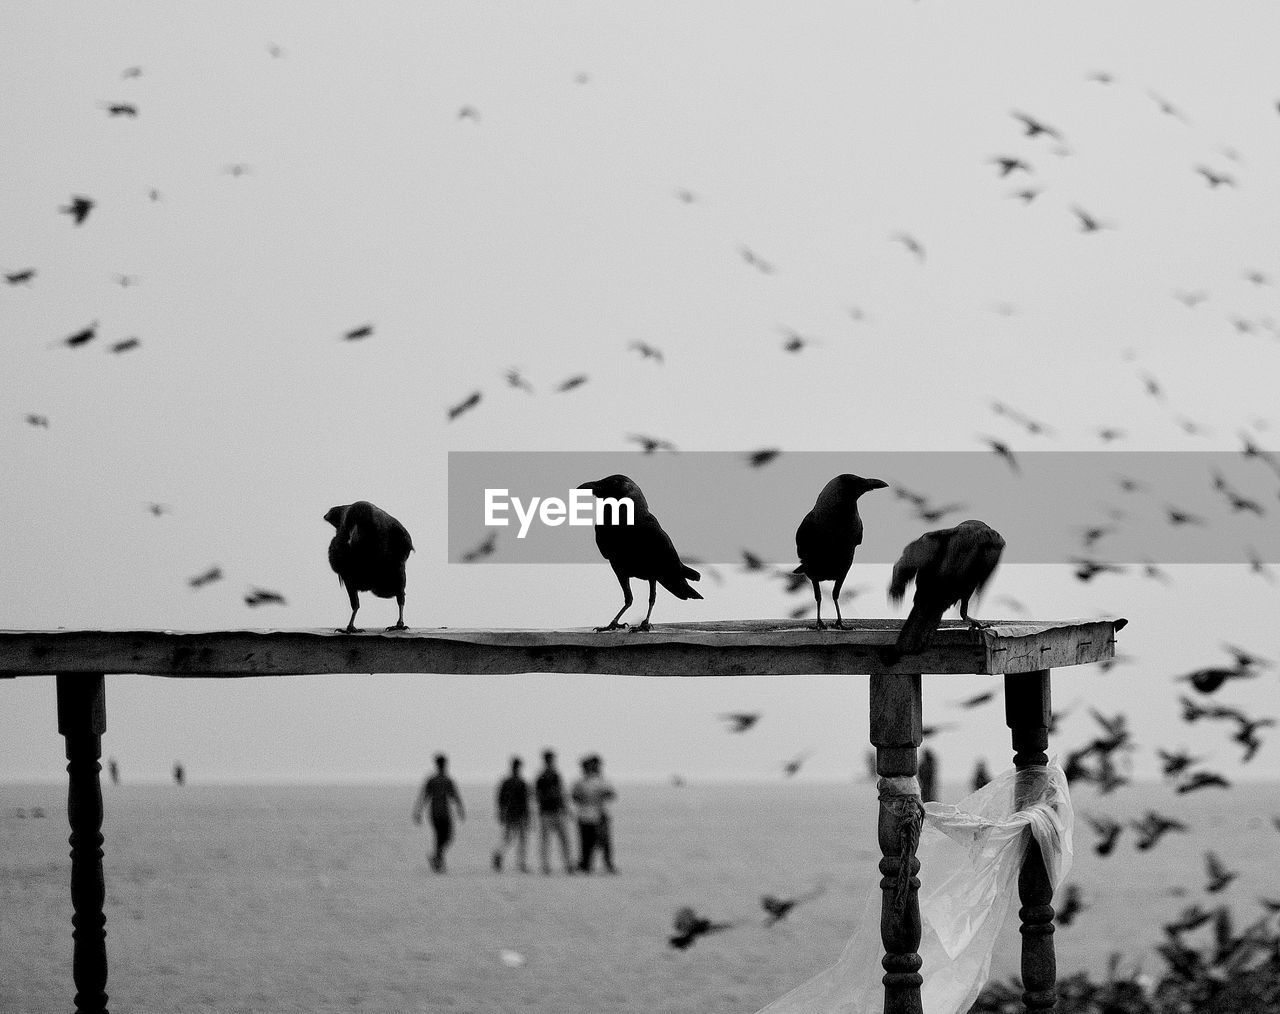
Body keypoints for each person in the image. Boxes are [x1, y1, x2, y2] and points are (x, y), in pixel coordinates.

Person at [412, 753, 465, 873]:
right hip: (438, 813)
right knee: (441, 837)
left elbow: (455, 796)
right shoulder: (435, 780)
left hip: (442, 813)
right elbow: (424, 796)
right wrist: (418, 811)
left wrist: (460, 809)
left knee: (446, 837)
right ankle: (438, 861)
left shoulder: (446, 780)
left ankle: (437, 858)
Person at [571, 754, 617, 874]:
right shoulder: (582, 782)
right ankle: (586, 864)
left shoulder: (599, 781)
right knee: (587, 843)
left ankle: (605, 864)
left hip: (598, 815)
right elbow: (575, 797)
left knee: (602, 842)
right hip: (586, 815)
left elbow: (611, 794)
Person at [534, 749, 575, 874]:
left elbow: (561, 793)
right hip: (546, 812)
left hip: (557, 811)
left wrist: (566, 808)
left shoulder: (556, 775)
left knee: (564, 840)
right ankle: (545, 865)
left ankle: (568, 864)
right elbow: (538, 795)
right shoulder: (541, 777)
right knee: (546, 840)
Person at [492, 756, 531, 873]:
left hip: (516, 813)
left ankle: (520, 862)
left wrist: (501, 812)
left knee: (516, 839)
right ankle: (517, 862)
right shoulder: (515, 782)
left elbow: (501, 800)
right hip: (515, 814)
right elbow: (502, 800)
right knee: (515, 839)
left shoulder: (512, 782)